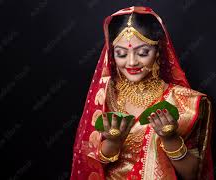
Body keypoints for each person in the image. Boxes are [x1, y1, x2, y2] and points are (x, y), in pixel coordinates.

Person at [70, 6, 214, 180]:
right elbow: (87, 166)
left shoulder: (184, 102)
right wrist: (113, 143)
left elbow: (193, 174)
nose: (132, 62)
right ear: (112, 56)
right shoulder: (103, 97)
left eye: (143, 52)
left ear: (158, 52)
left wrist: (170, 139)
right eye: (121, 54)